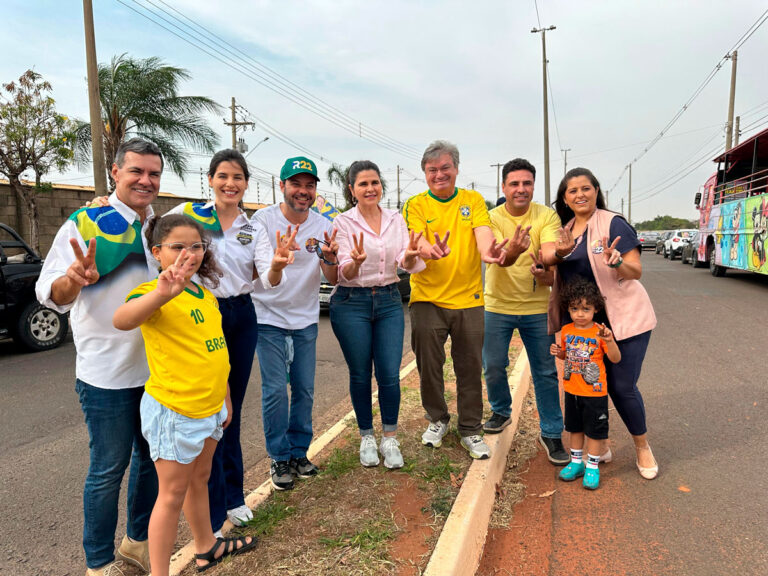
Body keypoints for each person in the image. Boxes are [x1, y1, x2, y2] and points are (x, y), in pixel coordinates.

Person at [35, 138, 162, 575]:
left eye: (153, 174)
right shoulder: (85, 222)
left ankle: (137, 541)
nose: (145, 181)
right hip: (105, 374)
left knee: (151, 461)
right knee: (108, 469)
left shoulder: (158, 230)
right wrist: (74, 280)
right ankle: (98, 561)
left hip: (156, 373)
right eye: (136, 172)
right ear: (115, 172)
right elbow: (51, 293)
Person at [113, 215, 264, 574]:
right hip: (175, 411)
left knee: (201, 478)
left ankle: (206, 546)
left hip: (210, 407)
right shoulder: (154, 293)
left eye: (196, 246)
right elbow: (122, 319)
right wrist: (162, 293)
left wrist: (225, 397)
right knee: (171, 495)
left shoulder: (205, 295)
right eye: (177, 247)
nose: (189, 254)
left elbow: (217, 350)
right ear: (157, 252)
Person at [167, 149, 287, 533]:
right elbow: (151, 231)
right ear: (210, 179)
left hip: (241, 315)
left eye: (237, 177)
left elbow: (268, 278)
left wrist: (279, 266)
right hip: (202, 314)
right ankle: (211, 508)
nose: (230, 183)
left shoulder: (252, 228)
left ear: (246, 183)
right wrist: (106, 199)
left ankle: (233, 497)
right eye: (223, 176)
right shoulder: (190, 215)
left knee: (230, 410)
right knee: (208, 411)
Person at [549, 167, 658, 479]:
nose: (580, 194)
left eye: (586, 188)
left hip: (625, 321)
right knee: (590, 388)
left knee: (622, 386)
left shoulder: (612, 222)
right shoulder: (565, 230)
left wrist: (619, 262)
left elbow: (636, 270)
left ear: (596, 190)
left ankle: (641, 446)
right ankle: (600, 446)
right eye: (573, 190)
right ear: (565, 198)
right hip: (585, 327)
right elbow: (560, 276)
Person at [402, 140, 508, 460]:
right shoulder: (416, 204)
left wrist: (495, 252)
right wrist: (426, 251)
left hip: (469, 299)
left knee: (470, 367)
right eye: (432, 170)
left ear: (456, 169)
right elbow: (415, 241)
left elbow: (484, 239)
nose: (439, 174)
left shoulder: (473, 200)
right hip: (427, 299)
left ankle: (471, 429)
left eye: (445, 168)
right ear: (424, 173)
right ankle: (438, 419)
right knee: (430, 366)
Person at [329, 160, 426, 468]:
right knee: (360, 373)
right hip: (351, 302)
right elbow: (342, 269)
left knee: (389, 373)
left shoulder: (396, 220)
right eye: (363, 184)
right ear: (351, 190)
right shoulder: (342, 223)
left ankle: (390, 437)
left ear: (381, 185)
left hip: (387, 300)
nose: (370, 188)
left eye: (374, 182)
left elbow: (404, 261)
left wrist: (409, 257)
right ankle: (367, 437)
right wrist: (356, 262)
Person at [251, 156, 339, 490]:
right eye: (296, 184)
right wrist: (276, 261)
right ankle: (279, 456)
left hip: (305, 318)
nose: (303, 191)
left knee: (303, 388)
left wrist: (330, 257)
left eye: (309, 185)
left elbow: (331, 275)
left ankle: (299, 452)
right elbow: (257, 272)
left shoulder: (321, 225)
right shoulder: (261, 221)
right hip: (267, 317)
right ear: (282, 186)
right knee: (275, 390)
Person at [481, 158, 569, 465]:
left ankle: (551, 432)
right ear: (503, 187)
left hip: (536, 308)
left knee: (545, 372)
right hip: (497, 306)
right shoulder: (489, 217)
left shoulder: (546, 215)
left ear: (533, 185)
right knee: (493, 365)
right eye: (514, 184)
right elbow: (496, 258)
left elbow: (547, 251)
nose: (521, 189)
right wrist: (513, 251)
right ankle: (501, 410)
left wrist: (553, 257)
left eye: (527, 183)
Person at [550, 278, 621, 490]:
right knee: (575, 428)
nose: (580, 314)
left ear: (595, 308)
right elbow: (567, 356)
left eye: (586, 308)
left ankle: (592, 466)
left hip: (595, 392)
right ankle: (575, 463)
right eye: (574, 309)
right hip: (572, 390)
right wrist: (559, 352)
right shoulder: (567, 330)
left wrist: (609, 340)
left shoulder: (600, 331)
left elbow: (616, 358)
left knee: (595, 431)